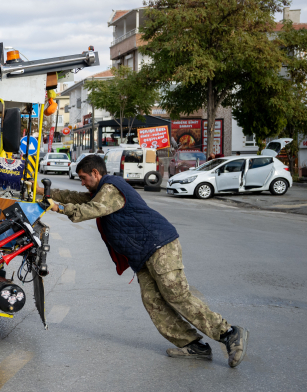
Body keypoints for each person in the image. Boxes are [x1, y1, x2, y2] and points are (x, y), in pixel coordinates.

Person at [47, 155, 249, 367]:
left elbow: (89, 209)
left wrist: (59, 208)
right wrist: (46, 193)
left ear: (96, 173)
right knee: (153, 300)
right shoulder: (101, 191)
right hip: (142, 253)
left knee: (176, 295)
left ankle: (229, 333)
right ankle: (193, 344)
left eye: (84, 178)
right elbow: (78, 197)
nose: (82, 182)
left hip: (158, 246)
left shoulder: (111, 189)